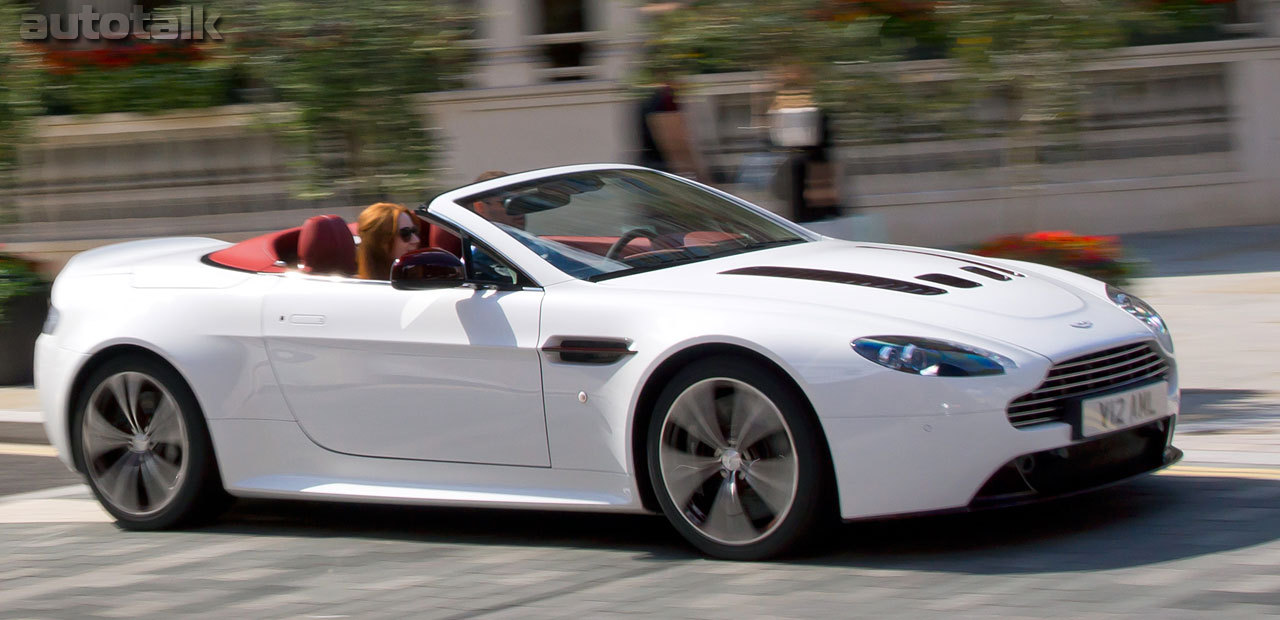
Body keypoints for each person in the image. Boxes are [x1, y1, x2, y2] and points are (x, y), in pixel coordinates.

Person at [355, 202, 420, 280]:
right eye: (405, 233)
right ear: (380, 242)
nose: (416, 240)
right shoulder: (358, 289)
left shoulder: (419, 278)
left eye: (414, 231)